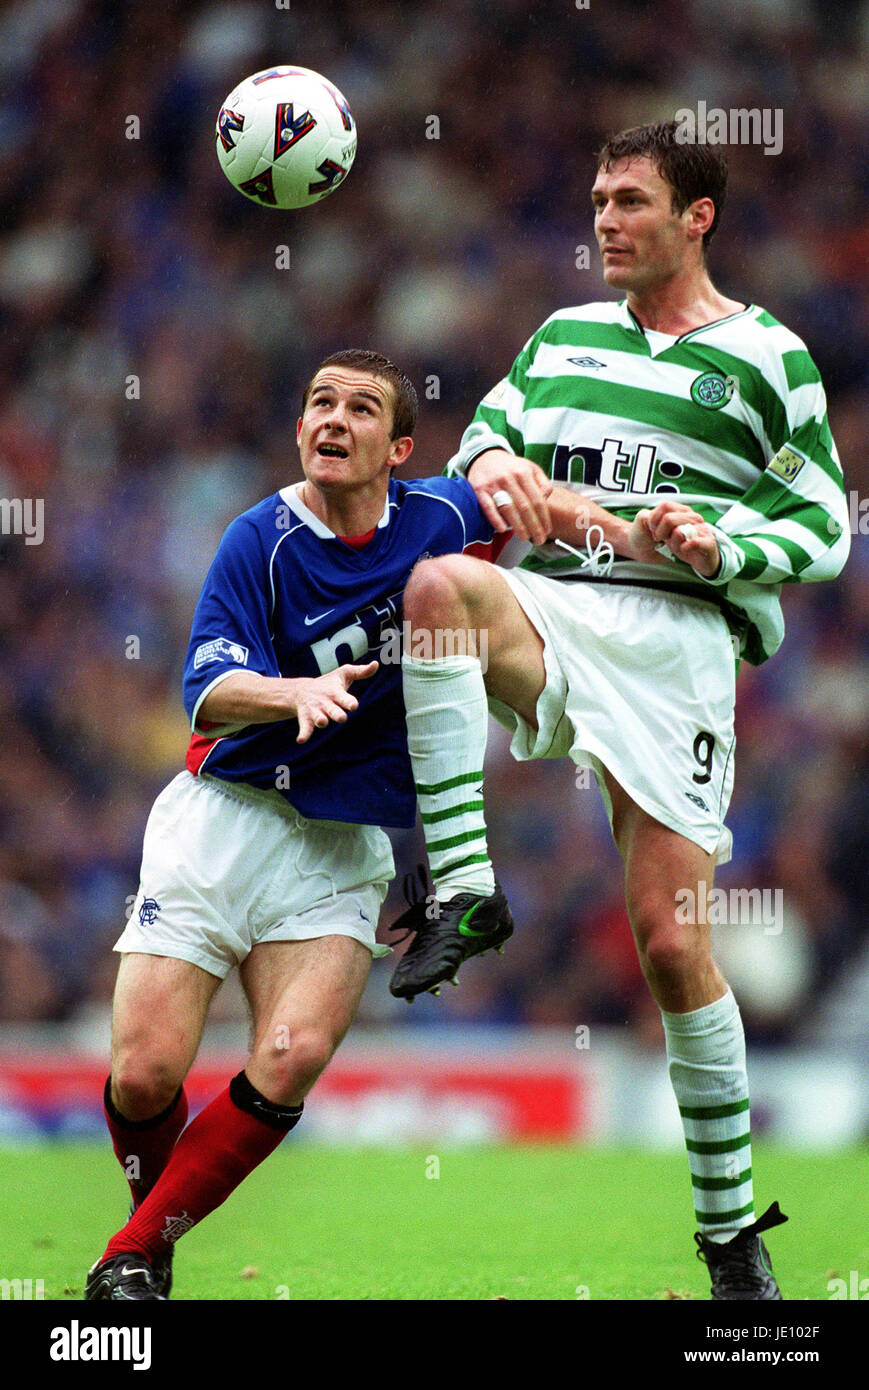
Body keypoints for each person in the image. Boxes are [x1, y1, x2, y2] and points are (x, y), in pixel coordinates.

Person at [387, 122, 850, 1300]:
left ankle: (730, 1233)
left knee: (672, 941)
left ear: (696, 216)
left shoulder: (764, 358)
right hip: (558, 606)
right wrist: (491, 467)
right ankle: (462, 883)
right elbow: (489, 434)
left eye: (629, 200)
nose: (603, 219)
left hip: (677, 647)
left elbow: (822, 526)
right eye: (596, 198)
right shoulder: (560, 336)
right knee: (436, 584)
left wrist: (722, 538)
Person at [84, 348, 515, 1301]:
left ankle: (128, 1261)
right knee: (148, 1073)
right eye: (318, 401)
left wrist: (565, 502)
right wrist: (295, 692)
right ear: (298, 428)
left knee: (293, 1055)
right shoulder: (260, 538)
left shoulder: (442, 515)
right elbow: (204, 691)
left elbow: (515, 496)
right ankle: (147, 1246)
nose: (332, 419)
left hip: (338, 848)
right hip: (222, 821)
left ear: (399, 447)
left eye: (359, 408)